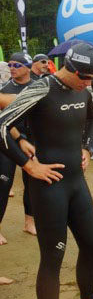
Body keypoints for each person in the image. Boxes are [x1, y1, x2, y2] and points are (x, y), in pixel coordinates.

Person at [0, 42, 93, 299]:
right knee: (53, 257)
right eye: (84, 78)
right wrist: (28, 165)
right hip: (49, 187)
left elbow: (92, 118)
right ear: (68, 68)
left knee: (91, 244)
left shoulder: (82, 89)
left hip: (76, 182)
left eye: (91, 79)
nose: (87, 84)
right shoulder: (41, 88)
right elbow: (1, 126)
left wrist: (86, 147)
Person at [0, 52, 36, 239]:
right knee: (3, 183)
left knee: (31, 183)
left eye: (17, 65)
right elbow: (3, 121)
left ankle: (29, 222)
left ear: (28, 67)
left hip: (32, 142)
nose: (12, 69)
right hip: (9, 140)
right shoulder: (5, 89)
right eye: (10, 65)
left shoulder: (36, 87)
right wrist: (20, 138)